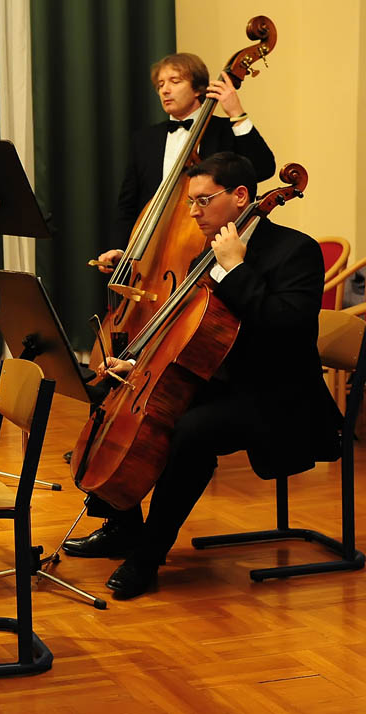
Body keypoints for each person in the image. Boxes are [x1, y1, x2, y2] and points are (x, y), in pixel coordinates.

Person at [64, 152, 342, 599]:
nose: (193, 212)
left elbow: (285, 328)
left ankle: (147, 557)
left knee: (190, 433)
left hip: (277, 394)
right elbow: (184, 336)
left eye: (203, 201)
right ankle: (122, 526)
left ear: (239, 197)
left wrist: (235, 268)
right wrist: (136, 366)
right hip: (211, 382)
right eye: (191, 202)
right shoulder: (203, 254)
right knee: (110, 397)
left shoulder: (296, 250)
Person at [97, 52, 275, 271]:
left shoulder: (224, 131)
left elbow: (264, 168)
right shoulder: (145, 140)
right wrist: (121, 250)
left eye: (175, 81)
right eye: (160, 84)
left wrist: (236, 112)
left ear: (199, 88)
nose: (165, 90)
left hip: (213, 248)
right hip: (151, 252)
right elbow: (129, 204)